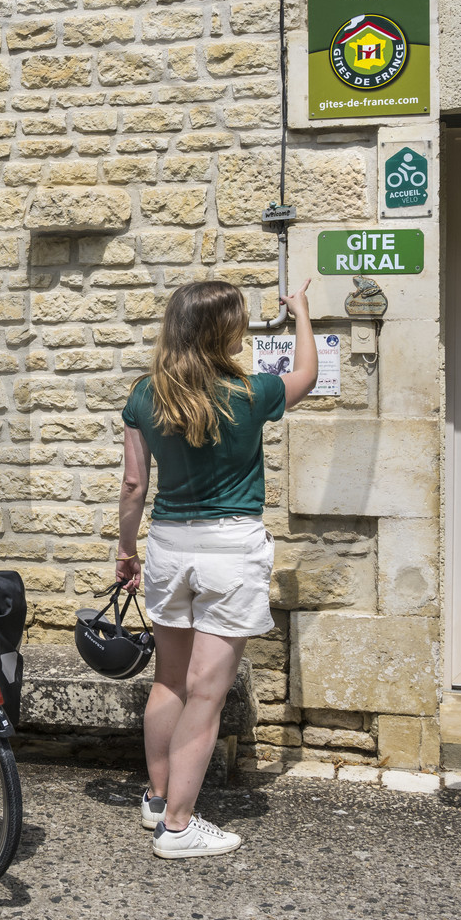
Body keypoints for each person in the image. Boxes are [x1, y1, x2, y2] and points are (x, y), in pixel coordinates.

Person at [116, 278, 316, 859]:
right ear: (221, 330)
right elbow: (306, 375)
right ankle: (178, 828)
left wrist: (126, 551)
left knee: (169, 681)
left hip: (169, 545)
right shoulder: (251, 392)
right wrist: (302, 314)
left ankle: (158, 800)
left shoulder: (145, 394)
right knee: (206, 694)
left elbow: (133, 485)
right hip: (229, 550)